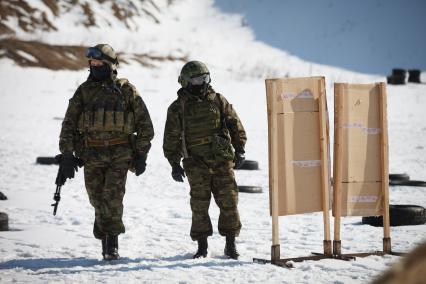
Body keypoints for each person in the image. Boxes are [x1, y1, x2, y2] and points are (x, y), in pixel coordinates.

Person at [58, 44, 154, 260]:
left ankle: (111, 245)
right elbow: (69, 124)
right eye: (92, 63)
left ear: (110, 65)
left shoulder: (126, 90)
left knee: (112, 198)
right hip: (91, 154)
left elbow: (146, 126)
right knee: (97, 199)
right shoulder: (84, 91)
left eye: (99, 63)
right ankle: (104, 229)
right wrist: (66, 155)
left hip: (119, 154)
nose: (95, 67)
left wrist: (141, 154)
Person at [163, 61, 247, 259]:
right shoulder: (178, 108)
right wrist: (174, 163)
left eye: (205, 78)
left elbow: (235, 124)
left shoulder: (218, 100)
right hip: (195, 162)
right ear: (186, 82)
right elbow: (171, 137)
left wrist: (240, 148)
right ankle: (202, 246)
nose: (202, 83)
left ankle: (230, 244)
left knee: (229, 201)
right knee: (199, 204)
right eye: (197, 79)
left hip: (221, 159)